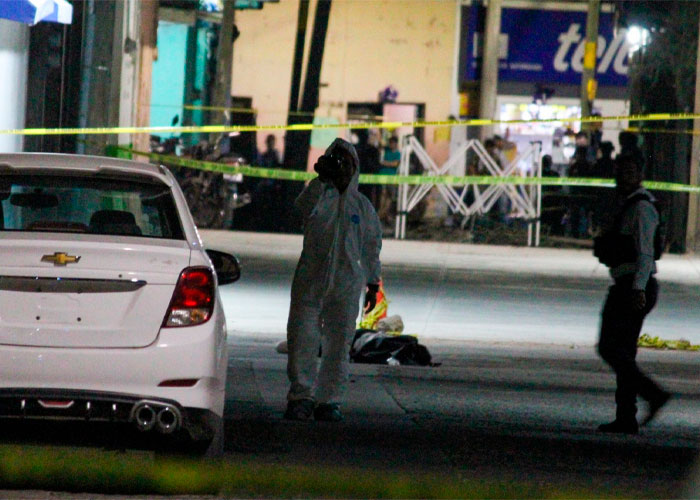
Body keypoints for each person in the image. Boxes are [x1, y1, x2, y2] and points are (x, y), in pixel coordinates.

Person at [284, 138, 383, 422]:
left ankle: (329, 401)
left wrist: (373, 283)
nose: (341, 168)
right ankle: (300, 397)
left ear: (355, 168)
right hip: (310, 281)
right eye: (336, 160)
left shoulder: (362, 207)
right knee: (302, 339)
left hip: (347, 285)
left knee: (338, 346)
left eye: (346, 163)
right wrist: (320, 181)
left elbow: (371, 247)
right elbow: (301, 210)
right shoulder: (317, 195)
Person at [593, 154, 670, 434]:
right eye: (620, 171)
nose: (623, 176)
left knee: (610, 348)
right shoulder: (627, 205)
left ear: (639, 175)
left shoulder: (642, 208)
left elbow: (646, 252)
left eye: (629, 171)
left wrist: (638, 288)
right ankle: (626, 416)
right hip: (627, 284)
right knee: (622, 352)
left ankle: (653, 395)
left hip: (633, 287)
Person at [378, 136, 400, 224]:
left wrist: (385, 163)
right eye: (390, 143)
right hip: (383, 176)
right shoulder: (385, 152)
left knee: (390, 197)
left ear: (396, 144)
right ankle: (382, 214)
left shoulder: (397, 153)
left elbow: (395, 164)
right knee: (383, 196)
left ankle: (384, 214)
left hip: (392, 177)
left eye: (393, 143)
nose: (392, 145)